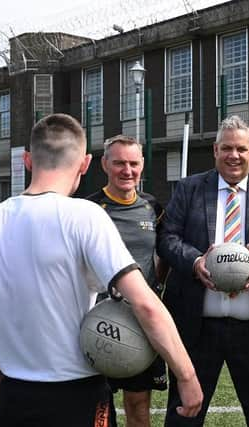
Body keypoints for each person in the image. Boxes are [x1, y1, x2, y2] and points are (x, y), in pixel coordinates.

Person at [0, 113, 202, 427]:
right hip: (77, 395)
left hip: (13, 397)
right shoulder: (84, 215)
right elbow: (145, 304)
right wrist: (186, 374)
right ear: (87, 163)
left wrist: (6, 390)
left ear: (27, 160)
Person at [157, 115, 249, 426]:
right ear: (215, 150)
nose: (233, 155)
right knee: (184, 414)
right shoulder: (189, 189)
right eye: (226, 148)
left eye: (240, 148)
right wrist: (196, 261)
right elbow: (167, 238)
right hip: (198, 326)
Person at [87, 135, 168, 427]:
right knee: (98, 409)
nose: (127, 170)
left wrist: (151, 289)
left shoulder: (153, 208)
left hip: (140, 322)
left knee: (138, 404)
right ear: (104, 164)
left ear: (142, 165)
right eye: (119, 162)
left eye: (133, 163)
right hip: (98, 322)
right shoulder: (88, 209)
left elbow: (164, 255)